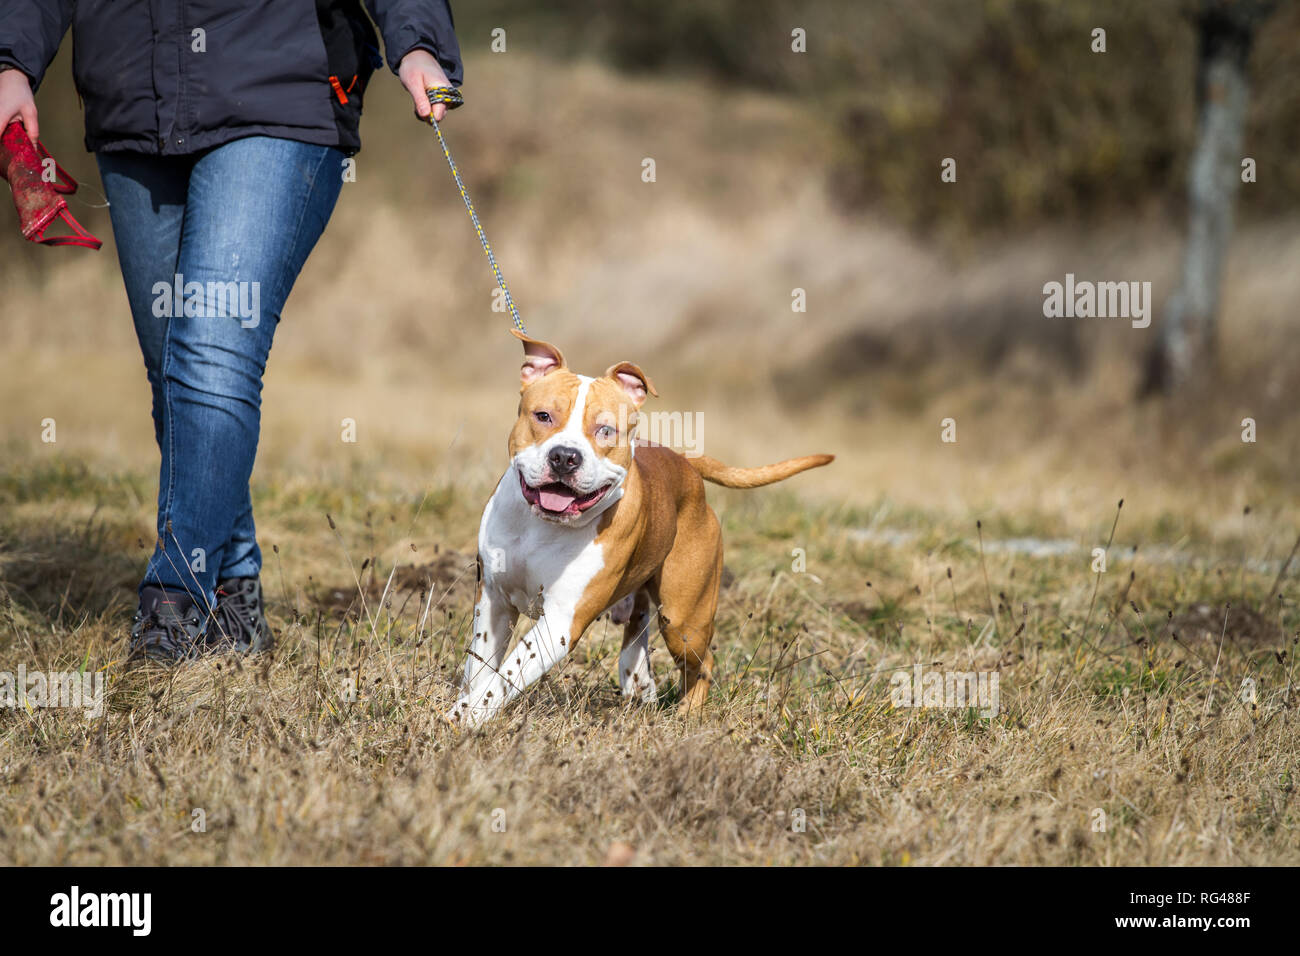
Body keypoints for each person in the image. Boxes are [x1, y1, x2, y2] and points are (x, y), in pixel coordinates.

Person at [0, 1, 462, 660]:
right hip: (132, 95)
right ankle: (233, 595)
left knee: (211, 351)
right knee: (175, 372)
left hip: (278, 89)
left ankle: (173, 601)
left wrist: (415, 39)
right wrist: (11, 59)